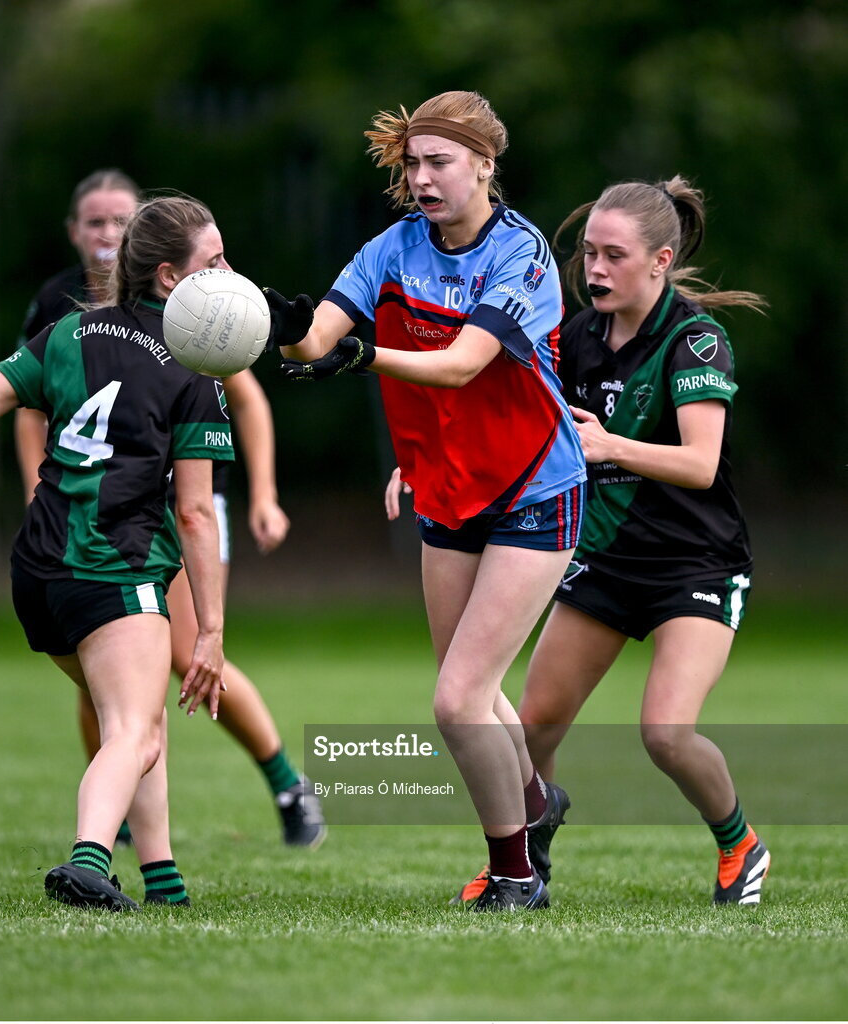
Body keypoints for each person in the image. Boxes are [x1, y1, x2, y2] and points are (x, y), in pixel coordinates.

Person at [274, 91, 587, 912]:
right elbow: (316, 338)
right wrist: (266, 321)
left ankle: (514, 874)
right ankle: (536, 804)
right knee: (471, 691)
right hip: (446, 489)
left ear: (484, 164)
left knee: (455, 700)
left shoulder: (520, 254)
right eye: (412, 164)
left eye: (438, 162)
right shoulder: (392, 247)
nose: (420, 179)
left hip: (533, 487)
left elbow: (460, 364)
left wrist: (357, 355)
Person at [0, 195, 235, 911]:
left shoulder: (67, 330)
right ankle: (88, 861)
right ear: (169, 276)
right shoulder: (194, 367)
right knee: (133, 730)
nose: (229, 275)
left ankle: (163, 880)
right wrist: (213, 630)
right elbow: (195, 513)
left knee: (138, 720)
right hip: (115, 569)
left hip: (37, 573)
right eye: (215, 262)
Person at [444, 175, 770, 906]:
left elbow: (701, 464)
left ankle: (739, 843)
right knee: (533, 729)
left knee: (665, 732)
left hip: (695, 566)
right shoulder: (577, 336)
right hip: (604, 561)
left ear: (659, 261)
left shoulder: (694, 340)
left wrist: (611, 447)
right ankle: (524, 866)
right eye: (588, 252)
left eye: (613, 255)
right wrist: (426, 462)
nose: (594, 268)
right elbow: (505, 412)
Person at [16, 170, 325, 848]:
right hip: (96, 512)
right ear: (73, 232)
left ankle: (285, 783)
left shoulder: (197, 307)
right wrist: (42, 493)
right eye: (94, 221)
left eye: (119, 219)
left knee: (186, 652)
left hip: (177, 507)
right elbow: (22, 405)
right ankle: (123, 817)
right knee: (104, 677)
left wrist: (264, 494)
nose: (107, 231)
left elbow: (247, 398)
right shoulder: (59, 307)